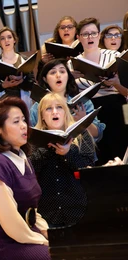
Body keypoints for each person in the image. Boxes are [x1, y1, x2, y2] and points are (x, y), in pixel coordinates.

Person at [0, 96, 50, 260]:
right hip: (7, 242)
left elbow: (32, 211)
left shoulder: (23, 156)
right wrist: (42, 241)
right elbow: (11, 223)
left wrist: (46, 233)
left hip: (28, 233)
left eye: (24, 120)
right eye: (16, 122)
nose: (24, 126)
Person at [30, 93, 95, 227]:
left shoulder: (82, 135)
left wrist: (67, 153)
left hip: (78, 210)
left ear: (65, 112)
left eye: (59, 107)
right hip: (47, 212)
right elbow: (29, 169)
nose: (54, 112)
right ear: (42, 115)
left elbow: (89, 169)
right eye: (48, 109)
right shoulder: (33, 140)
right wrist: (47, 147)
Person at [71, 17, 128, 165]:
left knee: (119, 150)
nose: (90, 37)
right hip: (90, 110)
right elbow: (70, 95)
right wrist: (71, 79)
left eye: (93, 33)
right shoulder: (72, 63)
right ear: (78, 37)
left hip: (115, 106)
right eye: (85, 34)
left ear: (98, 35)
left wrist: (115, 83)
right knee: (98, 154)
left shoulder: (113, 56)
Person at [30, 59, 105, 142]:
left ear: (68, 76)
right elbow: (33, 137)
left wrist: (83, 121)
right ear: (45, 79)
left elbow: (98, 135)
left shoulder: (83, 102)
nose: (58, 75)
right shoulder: (37, 107)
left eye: (62, 71)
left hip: (81, 149)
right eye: (53, 72)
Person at [0, 27, 35, 108]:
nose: (6, 40)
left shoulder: (24, 60)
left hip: (23, 102)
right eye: (2, 38)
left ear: (14, 40)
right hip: (4, 104)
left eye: (9, 37)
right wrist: (3, 85)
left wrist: (22, 81)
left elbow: (32, 84)